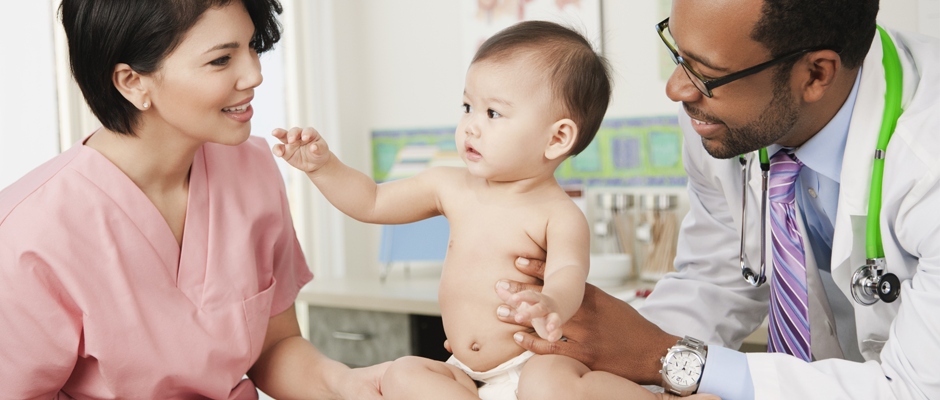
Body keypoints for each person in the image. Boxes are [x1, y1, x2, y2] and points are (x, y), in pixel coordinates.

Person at [493, 0, 940, 399]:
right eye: (678, 54)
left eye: (706, 74)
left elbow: (915, 388)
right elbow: (716, 278)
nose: (677, 89)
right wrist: (590, 349)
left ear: (815, 74)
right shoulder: (726, 123)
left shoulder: (927, 158)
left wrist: (663, 357)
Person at [273, 20, 704, 400]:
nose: (470, 125)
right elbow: (372, 201)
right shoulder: (449, 185)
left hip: (532, 361)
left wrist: (549, 302)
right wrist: (323, 167)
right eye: (467, 106)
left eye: (493, 112)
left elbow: (568, 273)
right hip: (466, 374)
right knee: (403, 374)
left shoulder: (559, 213)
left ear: (556, 139)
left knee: (552, 386)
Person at [0, 0, 388, 398]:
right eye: (221, 60)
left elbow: (275, 346)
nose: (254, 74)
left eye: (252, 46)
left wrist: (356, 385)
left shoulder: (253, 168)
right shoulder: (27, 233)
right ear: (132, 81)